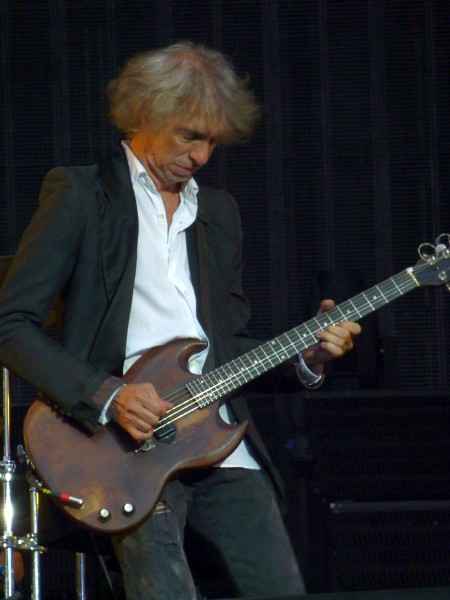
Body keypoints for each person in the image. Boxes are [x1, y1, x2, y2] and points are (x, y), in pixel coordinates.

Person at [0, 41, 361, 599]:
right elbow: (11, 325)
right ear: (145, 113)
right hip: (122, 445)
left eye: (212, 141)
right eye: (189, 136)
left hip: (218, 440)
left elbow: (231, 344)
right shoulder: (82, 195)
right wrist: (107, 395)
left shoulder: (218, 213)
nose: (201, 156)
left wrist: (305, 358)